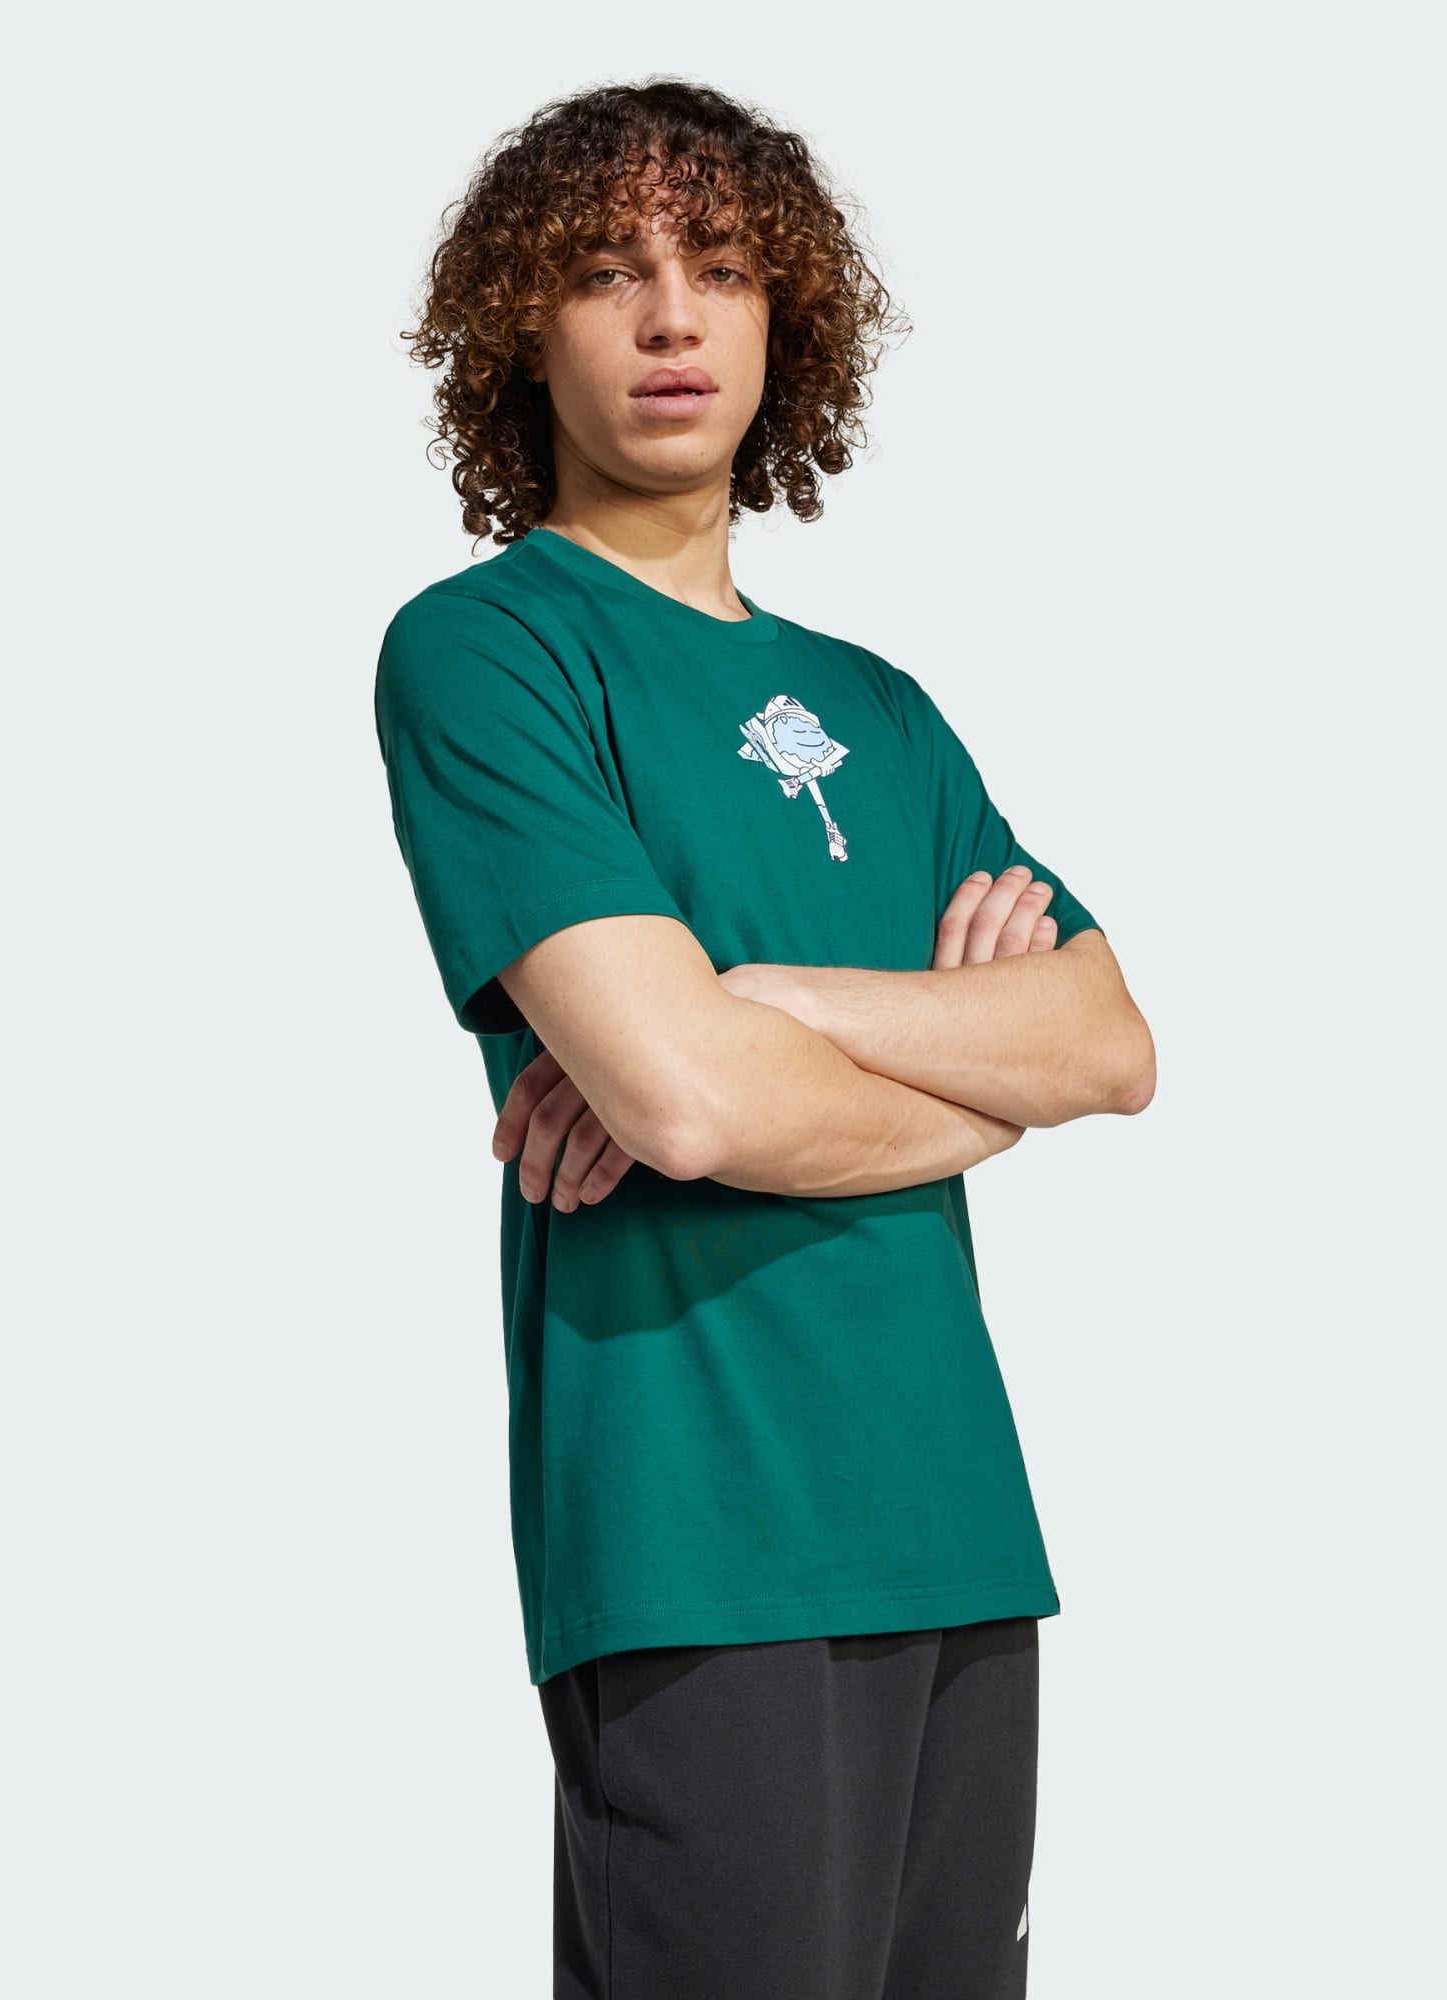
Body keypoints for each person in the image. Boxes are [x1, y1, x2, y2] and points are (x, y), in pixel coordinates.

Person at [373, 77, 1156, 2000]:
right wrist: (965, 1076)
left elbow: (1111, 1046)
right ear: (522, 329)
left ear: (784, 319)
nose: (671, 317)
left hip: (958, 1529)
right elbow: (684, 1103)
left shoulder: (880, 708)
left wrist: (767, 998)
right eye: (608, 273)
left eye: (721, 269)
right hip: (697, 1539)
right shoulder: (492, 650)